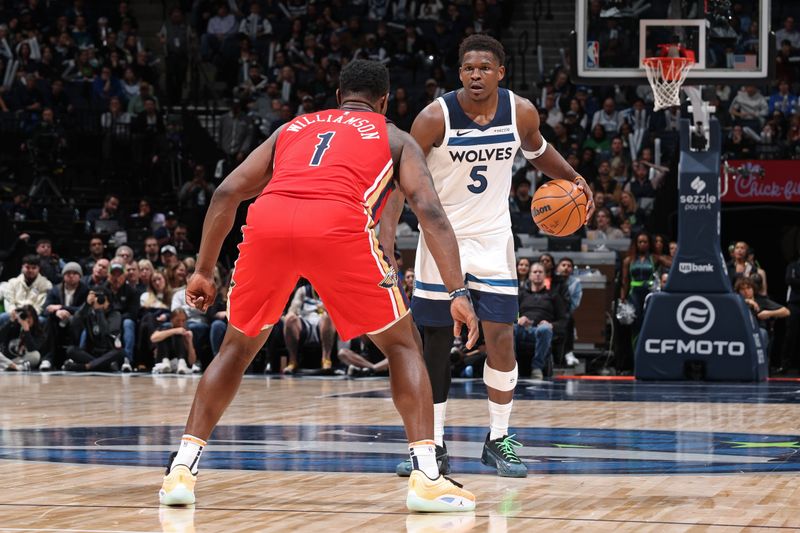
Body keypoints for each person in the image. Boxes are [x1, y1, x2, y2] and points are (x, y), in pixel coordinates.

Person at [159, 59, 479, 513]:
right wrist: (457, 293)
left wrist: (203, 270)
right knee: (404, 347)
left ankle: (182, 470)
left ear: (338, 96)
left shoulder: (292, 128)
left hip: (269, 221)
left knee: (235, 348)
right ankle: (427, 476)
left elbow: (227, 193)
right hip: (337, 226)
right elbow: (429, 211)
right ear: (384, 101)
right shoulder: (395, 137)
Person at [381, 34, 593, 479]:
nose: (475, 75)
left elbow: (537, 151)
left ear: (500, 72)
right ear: (460, 74)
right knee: (436, 342)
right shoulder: (433, 118)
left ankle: (498, 440)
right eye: (467, 68)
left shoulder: (521, 112)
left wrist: (574, 177)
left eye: (484, 68)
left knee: (501, 338)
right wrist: (388, 238)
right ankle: (433, 445)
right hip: (441, 238)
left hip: (493, 238)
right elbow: (401, 182)